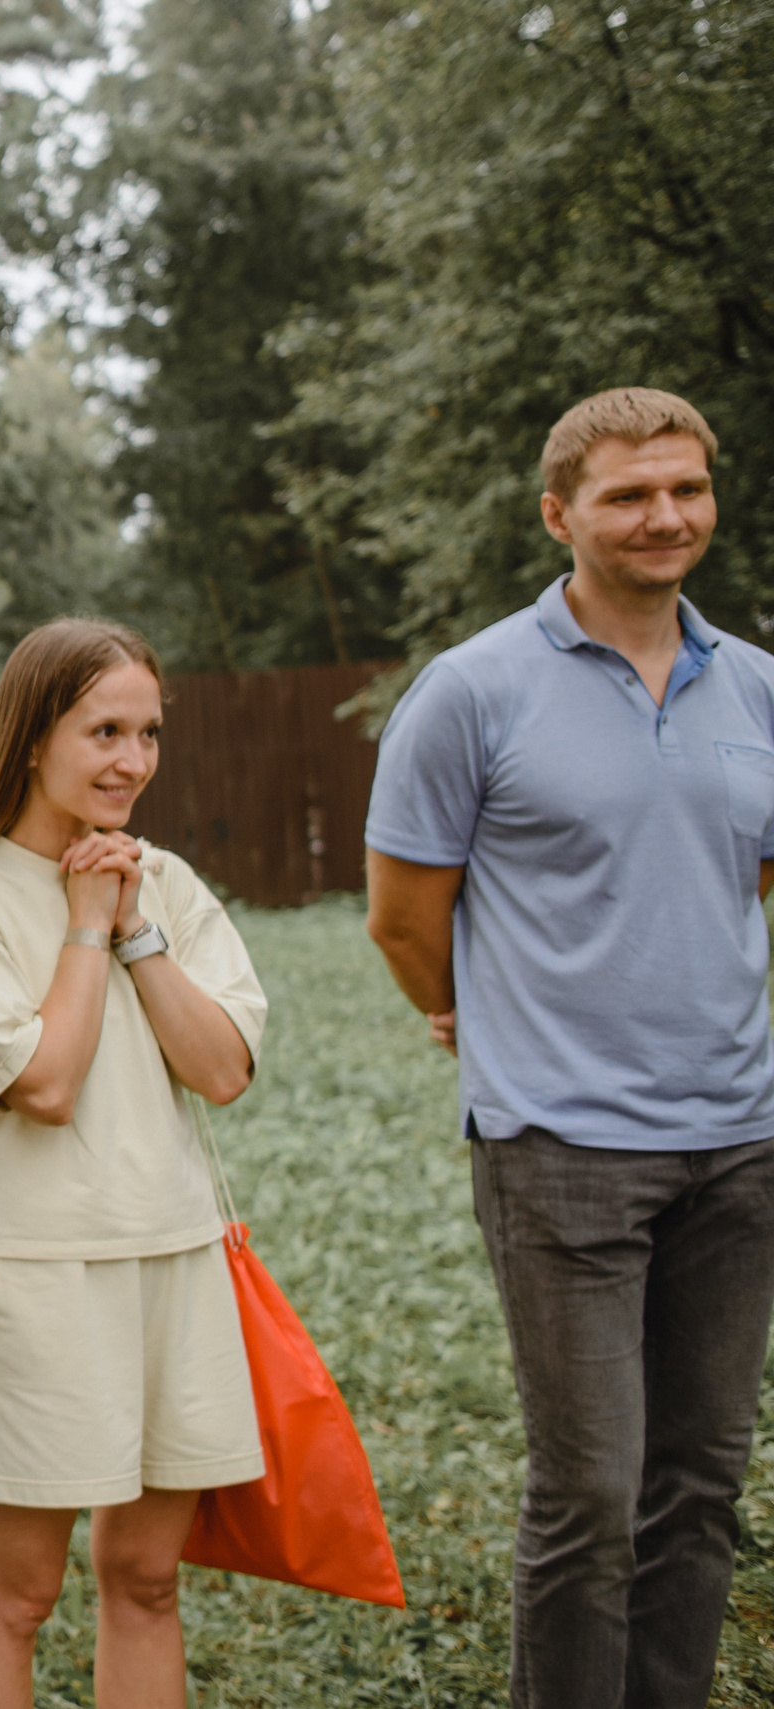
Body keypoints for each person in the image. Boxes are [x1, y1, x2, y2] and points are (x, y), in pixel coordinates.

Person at [364, 388, 774, 1709]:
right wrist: (483, 1020)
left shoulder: (761, 688)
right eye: (627, 495)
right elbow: (401, 916)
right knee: (591, 1498)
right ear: (560, 515)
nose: (664, 516)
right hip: (562, 1150)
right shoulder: (473, 692)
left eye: (685, 490)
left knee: (700, 1490)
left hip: (739, 1144)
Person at [0, 617, 265, 1709]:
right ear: (30, 737)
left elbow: (221, 1071)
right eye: (102, 729)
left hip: (176, 1260)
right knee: (18, 1593)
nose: (130, 760)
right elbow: (48, 1084)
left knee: (147, 1579)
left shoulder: (170, 883)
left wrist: (138, 928)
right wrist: (82, 920)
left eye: (147, 731)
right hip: (39, 1272)